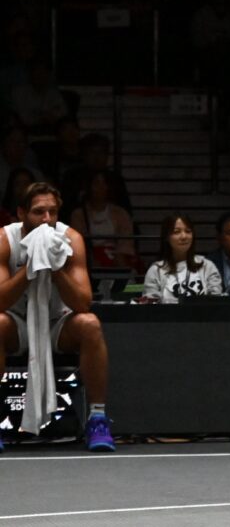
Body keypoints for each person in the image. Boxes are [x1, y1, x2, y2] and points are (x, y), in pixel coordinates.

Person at [0, 183, 115, 452]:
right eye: (39, 212)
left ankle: (97, 418)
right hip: (18, 323)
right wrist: (30, 267)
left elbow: (83, 304)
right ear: (21, 213)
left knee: (90, 324)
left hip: (57, 324)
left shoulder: (71, 239)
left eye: (52, 212)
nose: (47, 219)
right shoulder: (5, 240)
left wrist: (55, 269)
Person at [142, 213, 223, 302]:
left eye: (188, 231)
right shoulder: (156, 270)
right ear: (166, 237)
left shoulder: (207, 266)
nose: (184, 236)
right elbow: (150, 306)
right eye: (176, 232)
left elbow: (216, 302)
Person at [69, 171, 138, 270]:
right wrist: (89, 258)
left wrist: (120, 257)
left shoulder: (120, 213)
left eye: (104, 183)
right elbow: (78, 242)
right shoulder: (78, 215)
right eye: (97, 183)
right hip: (89, 258)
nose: (100, 187)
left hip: (116, 258)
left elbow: (126, 239)